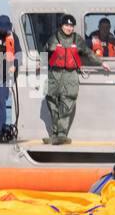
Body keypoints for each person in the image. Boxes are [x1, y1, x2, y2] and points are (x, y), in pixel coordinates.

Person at [42, 14, 109, 145]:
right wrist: (40, 64)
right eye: (66, 25)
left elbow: (89, 53)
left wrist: (101, 63)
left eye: (71, 26)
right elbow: (44, 51)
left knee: (68, 103)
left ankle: (62, 134)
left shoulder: (77, 39)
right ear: (61, 26)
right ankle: (54, 133)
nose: (69, 28)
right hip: (54, 73)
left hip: (70, 74)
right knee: (52, 101)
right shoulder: (53, 38)